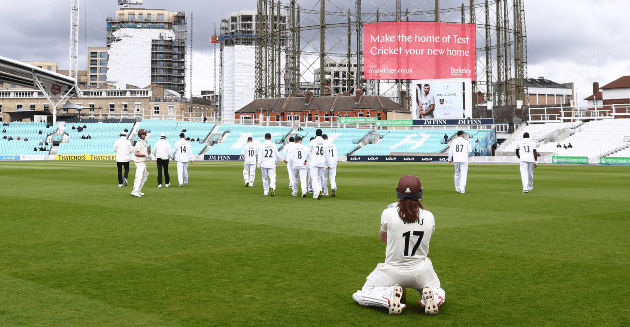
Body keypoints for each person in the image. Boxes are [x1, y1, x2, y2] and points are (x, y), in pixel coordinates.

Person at [352, 175, 445, 316]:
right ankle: (433, 296)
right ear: (420, 193)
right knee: (438, 289)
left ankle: (389, 296)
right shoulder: (429, 216)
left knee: (361, 294)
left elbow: (383, 239)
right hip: (421, 270)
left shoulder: (388, 213)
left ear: (398, 193)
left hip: (392, 270)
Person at [307, 129, 331, 199]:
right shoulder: (325, 142)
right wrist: (328, 164)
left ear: (316, 133)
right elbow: (327, 154)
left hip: (314, 161)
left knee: (314, 177)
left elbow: (308, 152)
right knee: (319, 177)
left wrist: (305, 160)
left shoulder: (312, 141)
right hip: (322, 162)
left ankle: (316, 192)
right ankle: (320, 189)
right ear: (321, 134)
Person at [131, 129, 150, 197]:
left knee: (145, 176)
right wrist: (144, 155)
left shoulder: (143, 142)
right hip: (140, 161)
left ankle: (137, 190)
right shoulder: (139, 142)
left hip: (142, 161)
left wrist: (147, 155)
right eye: (143, 134)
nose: (144, 135)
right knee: (139, 176)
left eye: (145, 134)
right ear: (139, 135)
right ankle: (135, 191)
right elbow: (136, 153)